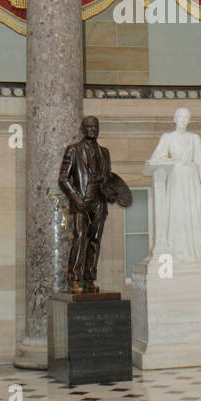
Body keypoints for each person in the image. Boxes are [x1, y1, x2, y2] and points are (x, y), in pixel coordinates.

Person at [59, 116, 123, 293]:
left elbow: (107, 178)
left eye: (95, 127)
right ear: (82, 129)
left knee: (95, 241)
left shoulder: (104, 152)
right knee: (79, 237)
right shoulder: (74, 150)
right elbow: (63, 179)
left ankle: (89, 279)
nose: (92, 130)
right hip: (81, 199)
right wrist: (76, 198)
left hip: (99, 201)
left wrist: (111, 193)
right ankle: (73, 278)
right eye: (88, 127)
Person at [144, 108, 201, 262]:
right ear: (175, 119)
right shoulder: (167, 137)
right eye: (180, 117)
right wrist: (168, 162)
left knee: (192, 212)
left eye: (186, 118)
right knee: (177, 212)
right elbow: (157, 157)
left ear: (189, 121)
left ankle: (194, 251)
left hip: (192, 180)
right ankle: (177, 250)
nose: (183, 120)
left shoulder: (195, 138)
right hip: (176, 179)